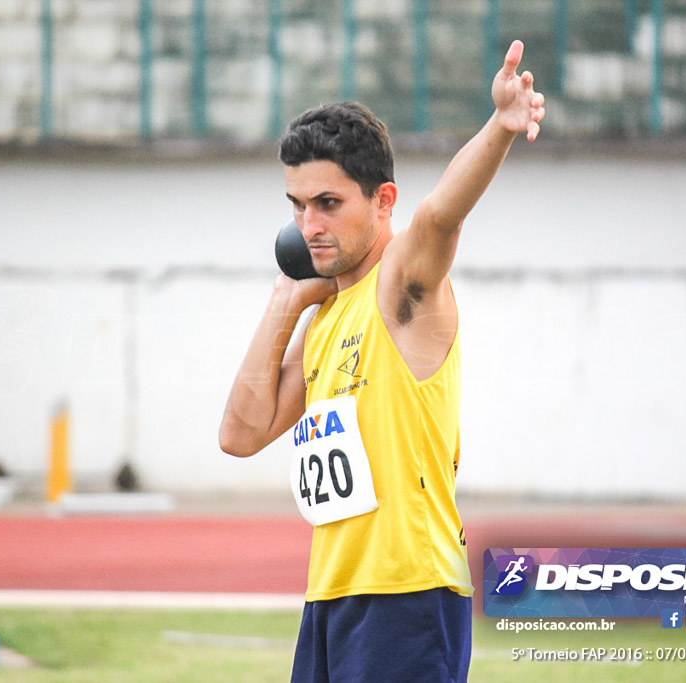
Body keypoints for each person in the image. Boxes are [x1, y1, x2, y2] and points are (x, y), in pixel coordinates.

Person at [219, 40, 544, 682]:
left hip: (410, 592)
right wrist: (287, 298)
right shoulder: (323, 319)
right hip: (332, 595)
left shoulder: (400, 286)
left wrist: (500, 128)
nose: (309, 224)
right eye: (297, 205)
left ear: (383, 201)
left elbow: (441, 216)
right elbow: (240, 433)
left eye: (329, 204)